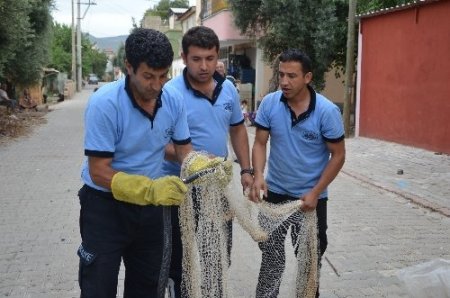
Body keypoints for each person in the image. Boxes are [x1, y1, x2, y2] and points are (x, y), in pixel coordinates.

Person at [78, 28, 199, 298]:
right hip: (104, 208)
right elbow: (98, 172)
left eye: (163, 76)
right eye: (148, 76)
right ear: (128, 67)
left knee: (147, 287)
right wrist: (148, 190)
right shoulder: (104, 103)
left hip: (150, 213)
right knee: (98, 287)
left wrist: (202, 166)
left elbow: (184, 152)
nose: (156, 85)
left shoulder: (173, 100)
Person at [162, 26, 253, 297]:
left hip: (217, 187)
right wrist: (195, 160)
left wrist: (246, 169)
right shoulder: (169, 93)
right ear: (184, 57)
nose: (204, 66)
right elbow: (159, 143)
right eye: (196, 59)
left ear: (217, 56)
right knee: (180, 257)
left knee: (217, 252)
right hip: (180, 188)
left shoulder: (228, 90)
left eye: (210, 58)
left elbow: (237, 128)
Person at [250, 49, 346, 297]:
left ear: (308, 77)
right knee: (271, 258)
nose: (284, 81)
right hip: (275, 195)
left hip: (310, 200)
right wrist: (258, 174)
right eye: (281, 74)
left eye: (292, 76)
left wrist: (315, 192)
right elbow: (260, 142)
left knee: (308, 263)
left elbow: (338, 155)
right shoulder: (270, 103)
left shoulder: (327, 112)